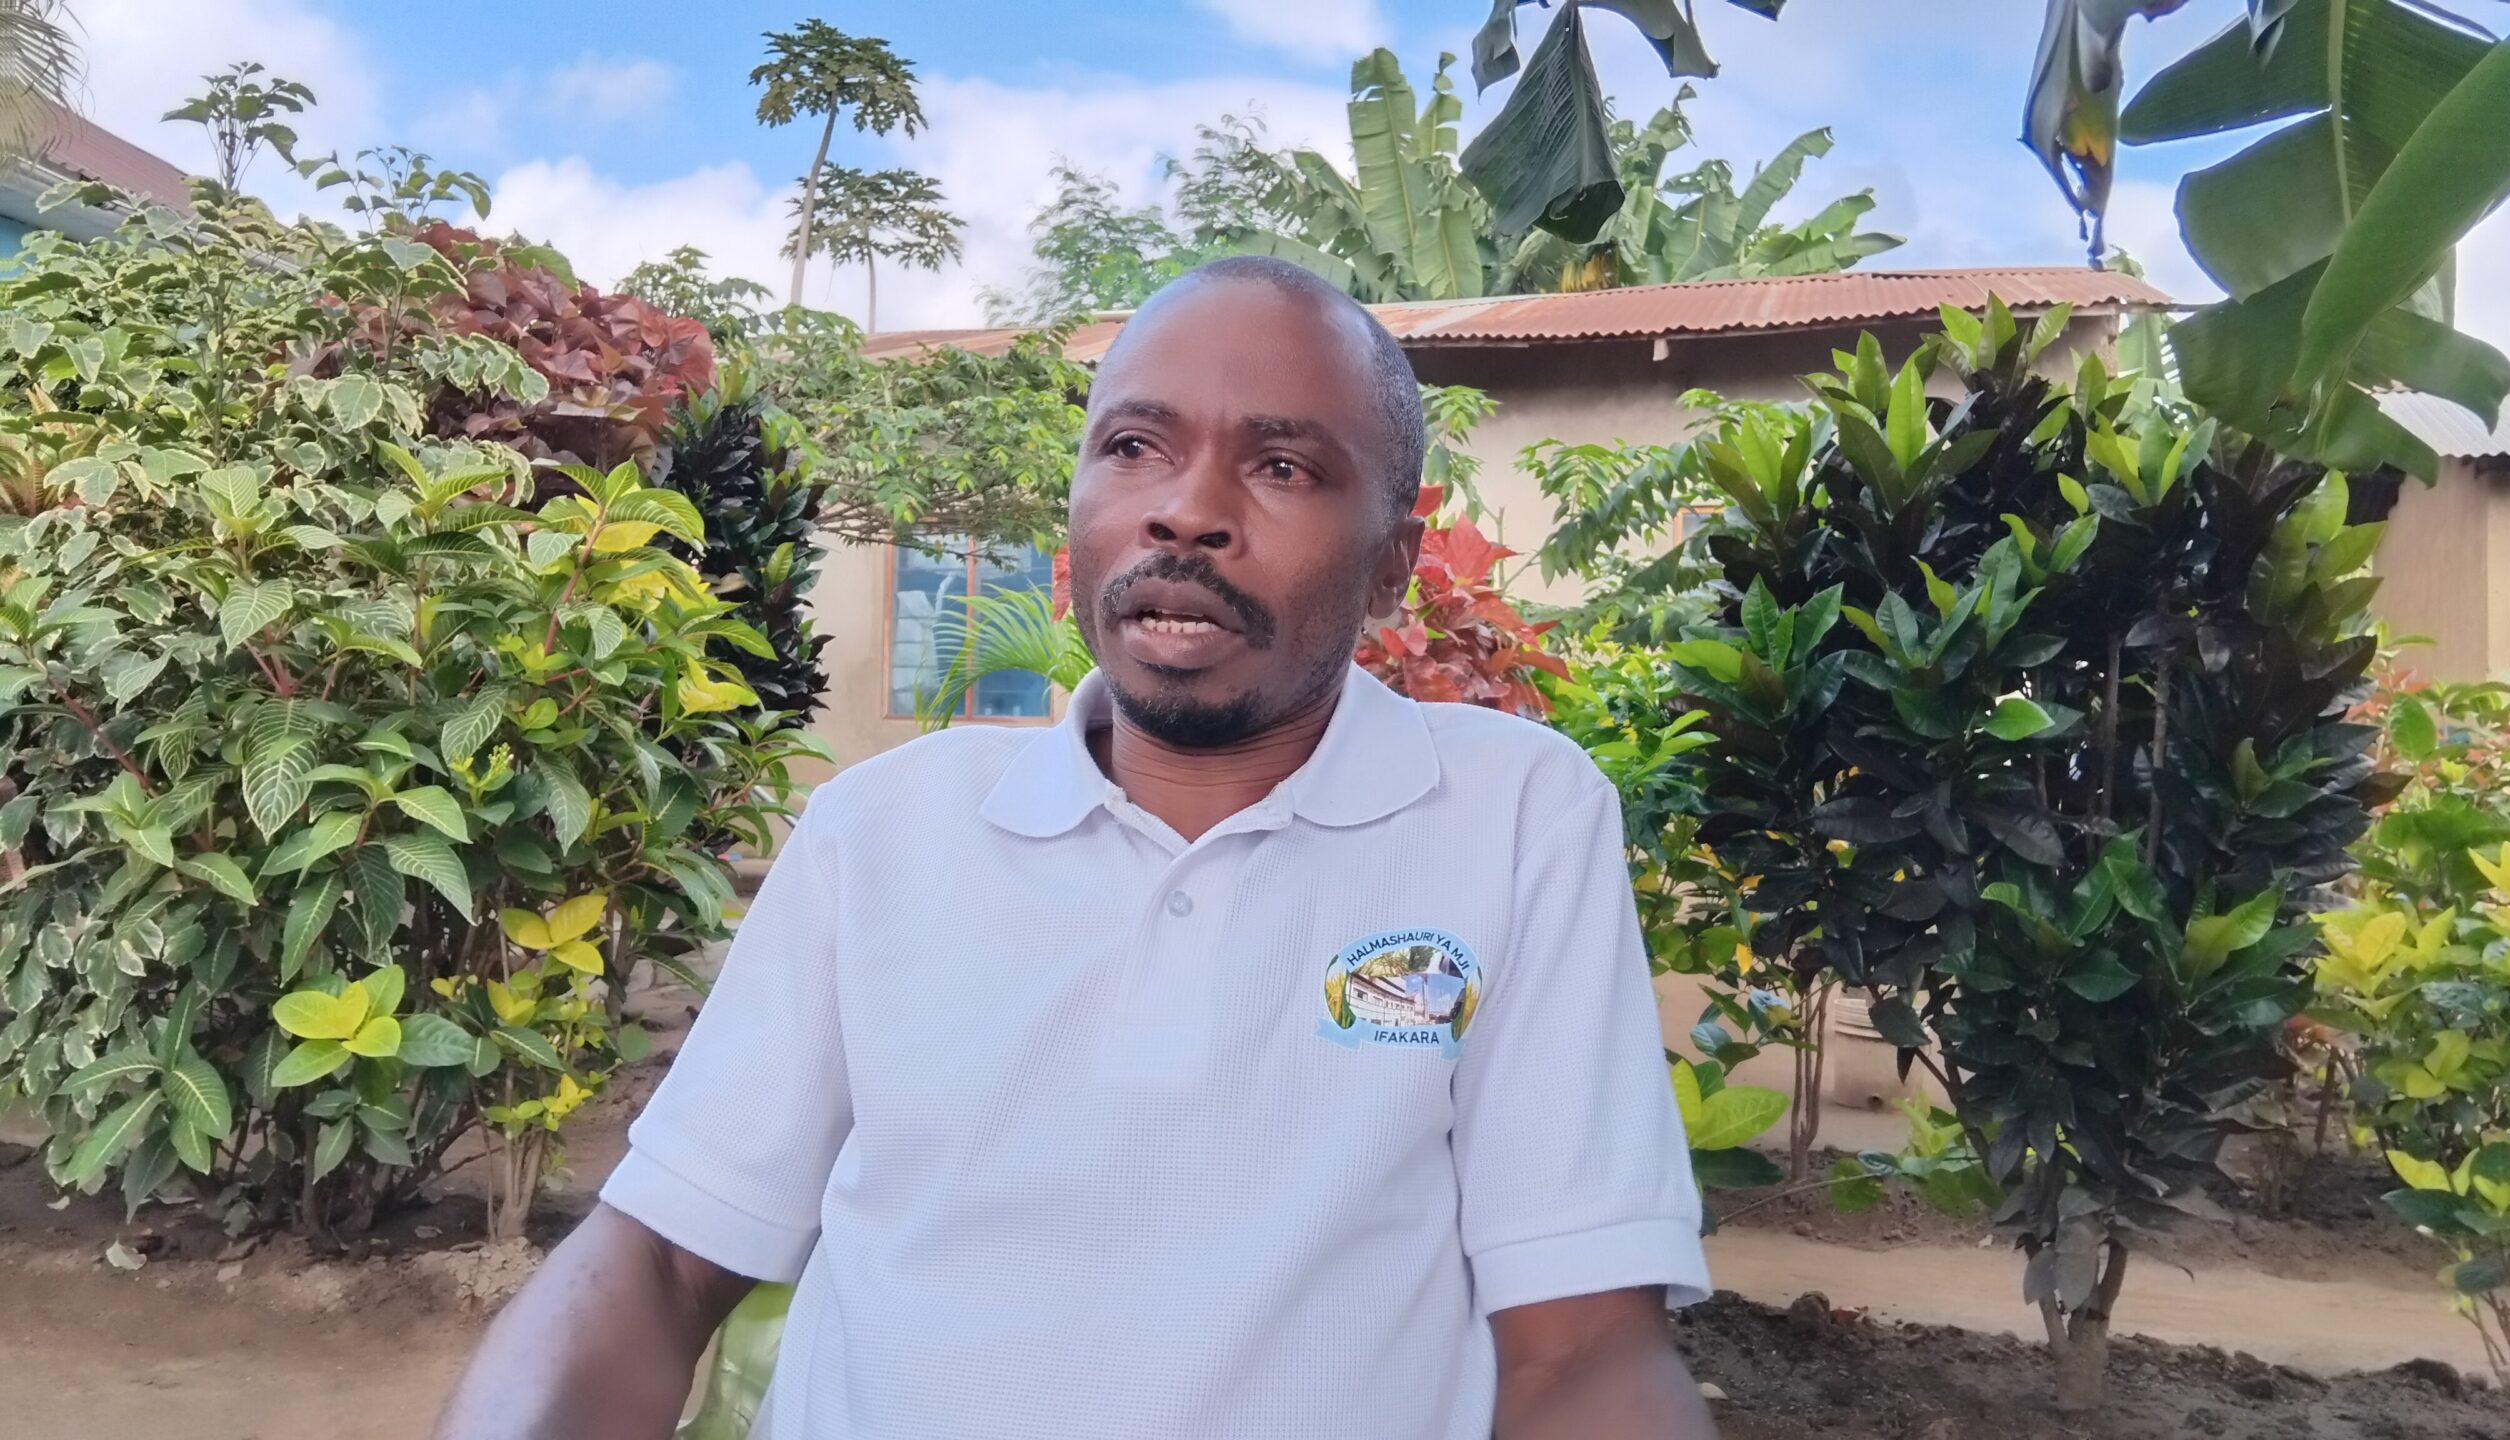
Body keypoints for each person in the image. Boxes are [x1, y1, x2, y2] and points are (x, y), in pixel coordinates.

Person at [432, 256, 1715, 1440]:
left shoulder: (1508, 820)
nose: (1187, 514)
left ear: (1392, 564)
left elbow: (1581, 1348)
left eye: (1281, 467)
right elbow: (661, 1261)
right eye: (1135, 448)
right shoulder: (882, 836)